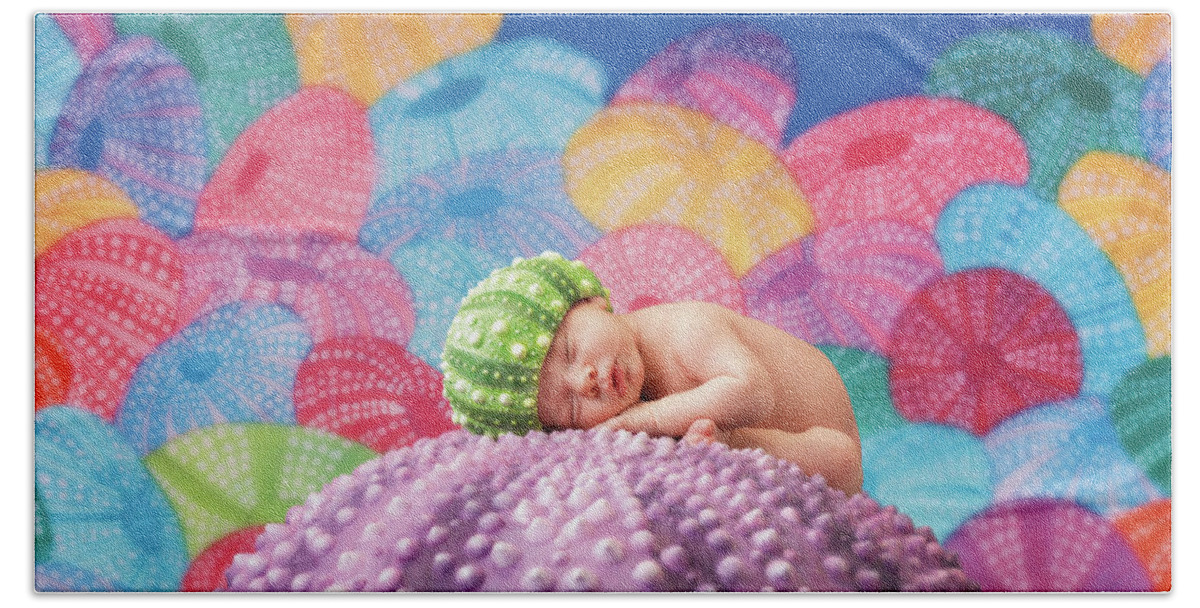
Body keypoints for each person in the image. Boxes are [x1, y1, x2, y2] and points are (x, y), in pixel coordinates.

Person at [441, 252, 862, 495]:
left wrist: (651, 419)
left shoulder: (686, 328)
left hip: (828, 449)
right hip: (778, 497)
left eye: (570, 351)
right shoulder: (623, 399)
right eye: (570, 407)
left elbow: (753, 393)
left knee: (832, 455)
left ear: (591, 301)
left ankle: (735, 443)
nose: (583, 382)